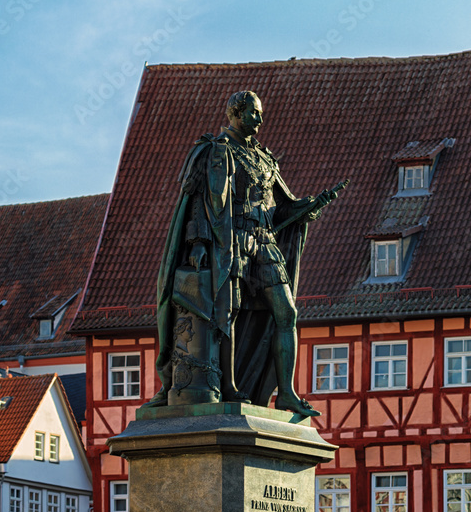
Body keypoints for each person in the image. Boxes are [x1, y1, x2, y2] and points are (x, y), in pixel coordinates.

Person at [145, 90, 339, 417]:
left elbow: (280, 207)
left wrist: (306, 208)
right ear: (236, 113)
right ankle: (230, 385)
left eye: (260, 114)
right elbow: (198, 204)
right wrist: (197, 245)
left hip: (265, 241)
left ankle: (287, 393)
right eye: (254, 113)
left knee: (286, 313)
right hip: (229, 242)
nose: (260, 120)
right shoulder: (215, 151)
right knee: (228, 314)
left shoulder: (265, 158)